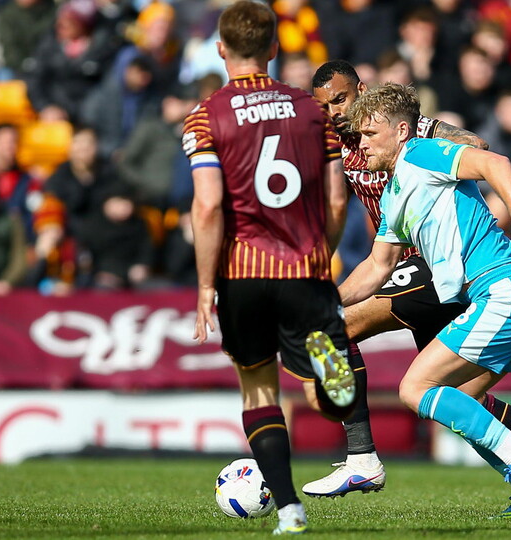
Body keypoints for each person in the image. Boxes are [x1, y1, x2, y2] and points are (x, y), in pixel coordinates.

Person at [312, 61, 511, 519]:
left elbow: (492, 159)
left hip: (505, 290)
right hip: (498, 296)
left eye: (370, 134)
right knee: (461, 399)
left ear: (401, 131)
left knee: (412, 385)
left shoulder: (421, 152)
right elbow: (376, 265)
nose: (360, 144)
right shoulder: (393, 197)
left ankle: (365, 456)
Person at [184, 2, 356, 535]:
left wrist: (206, 285)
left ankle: (289, 512)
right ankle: (331, 378)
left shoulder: (206, 115)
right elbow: (336, 201)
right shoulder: (311, 110)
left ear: (220, 49)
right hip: (304, 267)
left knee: (259, 391)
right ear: (275, 48)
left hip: (243, 272)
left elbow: (209, 206)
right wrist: (319, 254)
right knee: (331, 402)